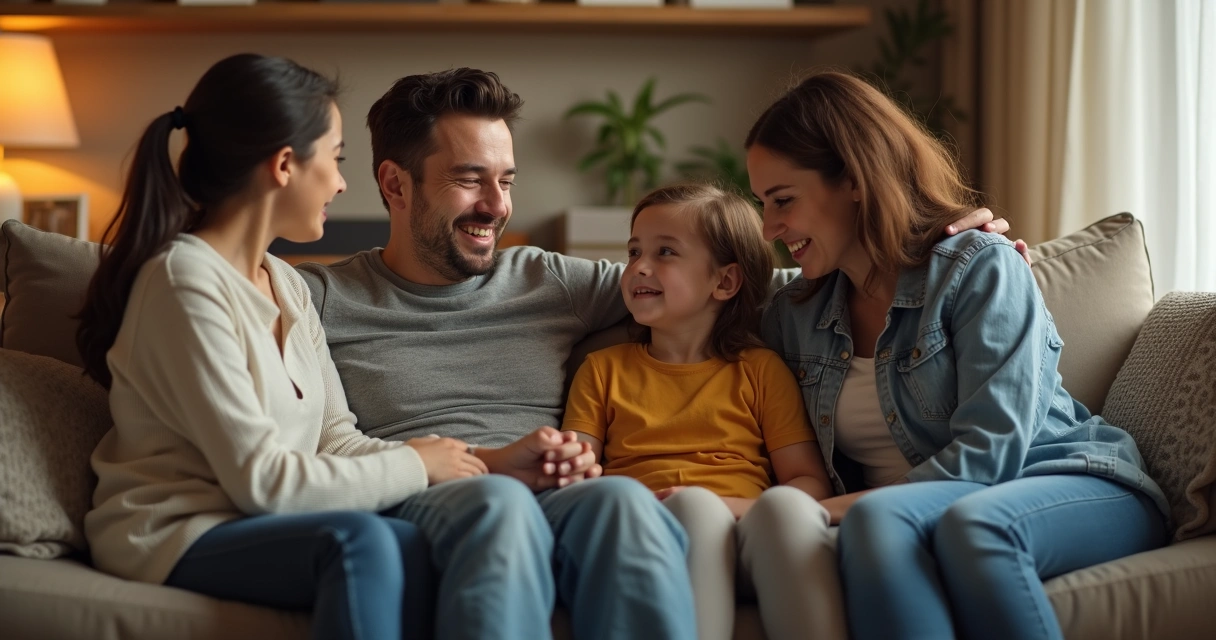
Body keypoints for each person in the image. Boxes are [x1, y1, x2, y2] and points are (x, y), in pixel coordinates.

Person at [295, 67, 1021, 639]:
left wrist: (918, 248)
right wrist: (474, 461)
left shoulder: (549, 279)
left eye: (506, 180)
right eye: (467, 180)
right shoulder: (315, 300)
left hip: (566, 499)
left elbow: (723, 284)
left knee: (614, 497)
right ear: (394, 183)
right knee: (498, 502)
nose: (495, 205)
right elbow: (303, 435)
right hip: (441, 494)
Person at [75, 54, 487, 640]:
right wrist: (414, 465)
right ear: (286, 164)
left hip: (251, 521)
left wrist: (463, 460)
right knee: (359, 541)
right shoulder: (183, 282)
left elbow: (334, 436)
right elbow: (263, 482)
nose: (344, 182)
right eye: (337, 159)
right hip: (174, 531)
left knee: (411, 538)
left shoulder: (288, 282)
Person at [750, 71, 1170, 640]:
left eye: (783, 201)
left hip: (1069, 479)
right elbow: (686, 288)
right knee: (876, 525)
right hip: (901, 517)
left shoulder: (977, 267)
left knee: (952, 527)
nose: (770, 227)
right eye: (762, 204)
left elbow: (990, 453)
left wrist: (824, 511)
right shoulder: (793, 312)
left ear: (853, 178)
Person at [560, 182, 846, 640]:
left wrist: (732, 506)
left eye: (665, 252)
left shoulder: (759, 370)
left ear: (725, 281)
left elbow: (807, 480)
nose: (638, 268)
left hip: (745, 530)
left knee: (788, 509)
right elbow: (577, 477)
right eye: (634, 252)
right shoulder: (602, 370)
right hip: (650, 531)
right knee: (694, 509)